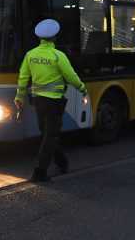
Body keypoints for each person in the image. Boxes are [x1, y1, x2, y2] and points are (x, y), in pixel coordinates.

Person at [14, 19, 87, 182]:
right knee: (50, 135)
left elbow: (23, 77)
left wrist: (19, 96)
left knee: (47, 134)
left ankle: (61, 162)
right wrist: (82, 88)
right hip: (54, 102)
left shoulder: (30, 55)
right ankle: (40, 171)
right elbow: (71, 76)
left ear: (39, 37)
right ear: (55, 37)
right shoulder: (57, 55)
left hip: (38, 101)